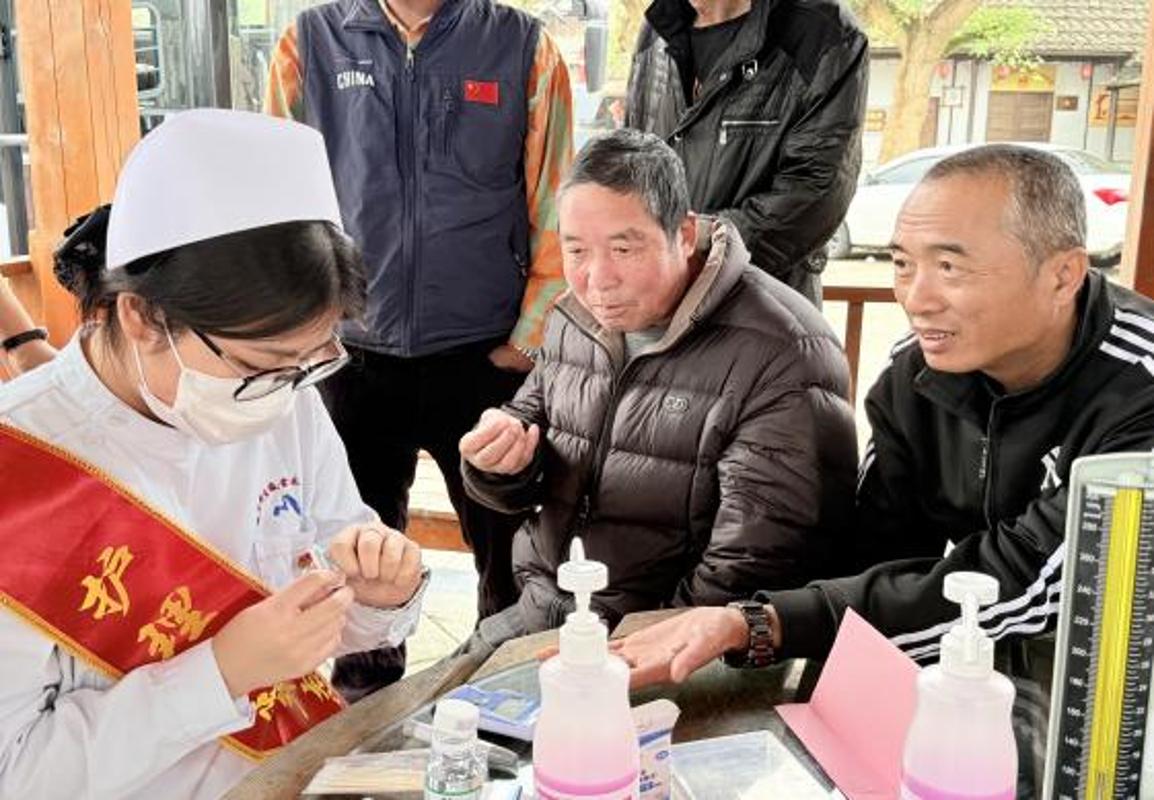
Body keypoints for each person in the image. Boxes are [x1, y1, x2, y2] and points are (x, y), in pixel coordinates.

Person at [611, 145, 1154, 704]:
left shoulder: (1140, 391)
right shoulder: (916, 372)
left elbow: (1026, 580)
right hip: (984, 659)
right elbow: (877, 551)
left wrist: (762, 623)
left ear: (1063, 275)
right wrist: (748, 624)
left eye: (950, 267)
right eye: (902, 264)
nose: (916, 299)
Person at [0, 109, 427, 799]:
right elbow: (17, 775)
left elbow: (327, 591)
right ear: (142, 316)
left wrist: (381, 597)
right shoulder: (20, 467)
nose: (285, 391)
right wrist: (219, 675)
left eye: (310, 360)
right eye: (260, 365)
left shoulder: (283, 394)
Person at [264, 0, 574, 696]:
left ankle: (507, 687)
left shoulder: (524, 47)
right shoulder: (307, 44)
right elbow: (280, 205)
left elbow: (555, 196)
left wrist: (529, 341)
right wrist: (301, 331)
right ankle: (365, 703)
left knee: (508, 547)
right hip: (351, 355)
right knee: (356, 549)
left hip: (483, 356)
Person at [458, 129, 858, 654]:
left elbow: (754, 565)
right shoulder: (573, 319)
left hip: (666, 644)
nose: (597, 279)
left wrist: (633, 651)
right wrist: (495, 464)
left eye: (623, 248)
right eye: (576, 250)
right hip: (543, 611)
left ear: (684, 234)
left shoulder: (782, 350)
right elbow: (529, 443)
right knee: (413, 705)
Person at [625, 0, 868, 306]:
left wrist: (693, 245)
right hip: (657, 302)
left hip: (762, 307)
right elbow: (630, 160)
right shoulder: (656, 29)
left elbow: (815, 192)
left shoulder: (822, 30)